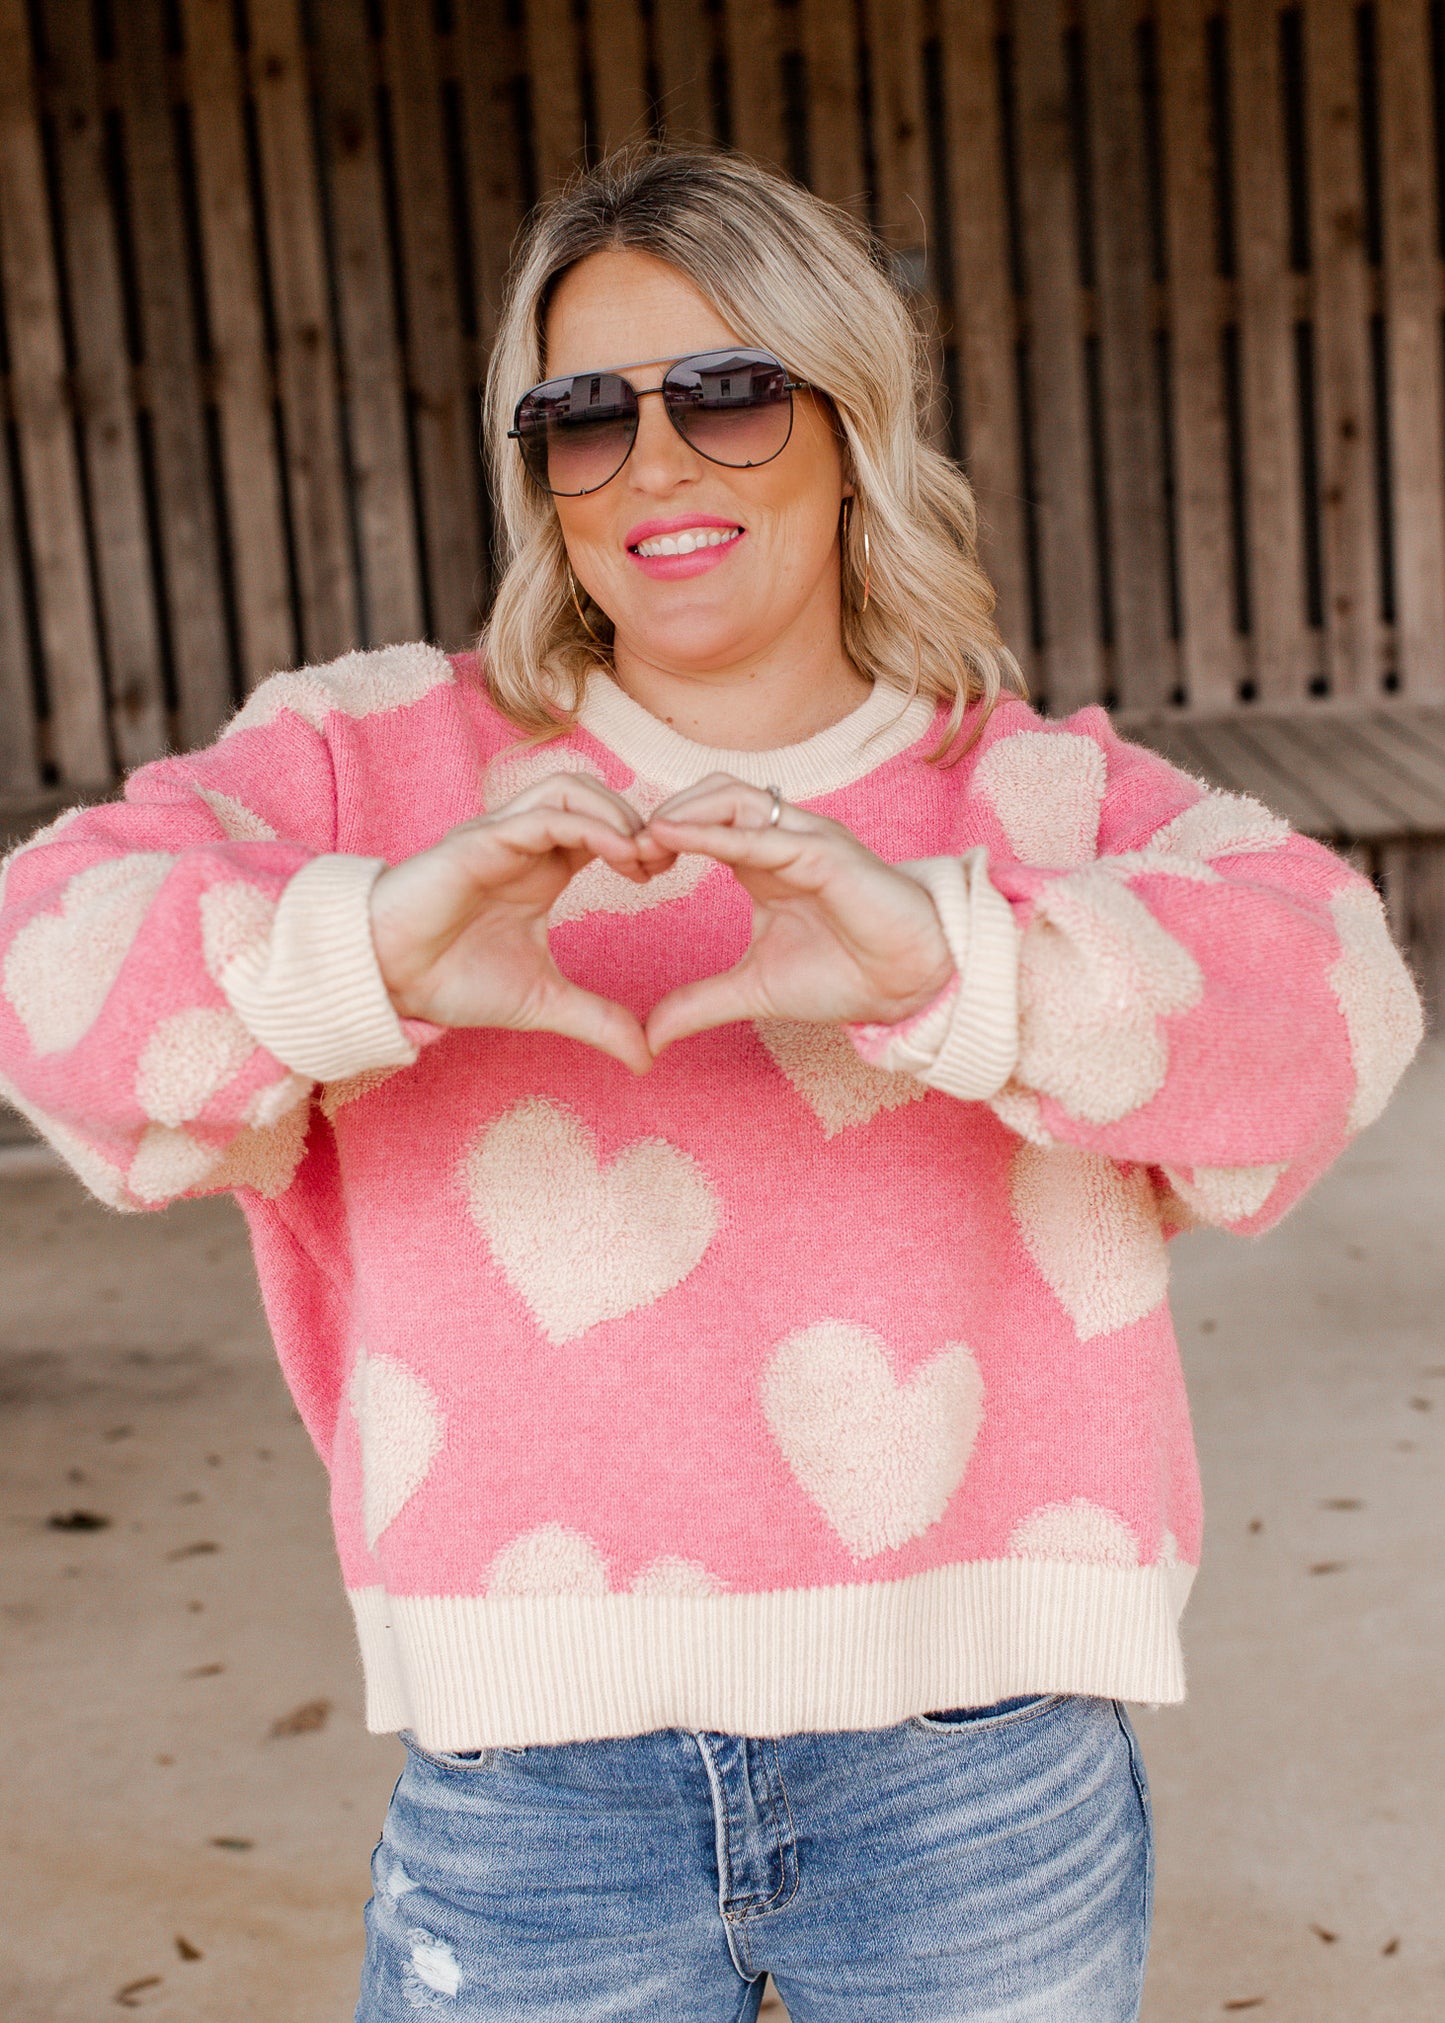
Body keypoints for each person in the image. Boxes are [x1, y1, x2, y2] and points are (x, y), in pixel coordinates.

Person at [0, 146, 1422, 2021]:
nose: (653, 463)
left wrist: (957, 962)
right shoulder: (368, 764)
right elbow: (49, 969)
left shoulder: (1033, 798)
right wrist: (365, 954)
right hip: (530, 1797)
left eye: (728, 393)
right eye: (582, 419)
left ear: (850, 423)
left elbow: (1340, 1005)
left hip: (977, 1774)